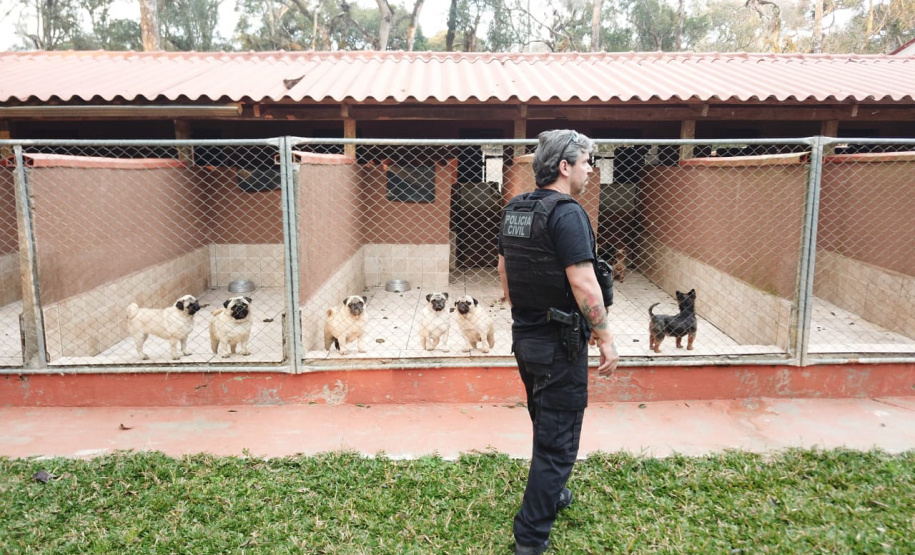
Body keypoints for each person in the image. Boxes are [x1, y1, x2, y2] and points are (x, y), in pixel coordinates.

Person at [497, 129, 619, 555]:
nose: (591, 169)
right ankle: (529, 540)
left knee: (546, 422)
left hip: (526, 339)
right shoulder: (567, 213)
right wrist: (604, 338)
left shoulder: (515, 208)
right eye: (587, 161)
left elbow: (505, 272)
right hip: (559, 344)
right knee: (559, 441)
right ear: (564, 167)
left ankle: (556, 493)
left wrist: (526, 310)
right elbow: (584, 283)